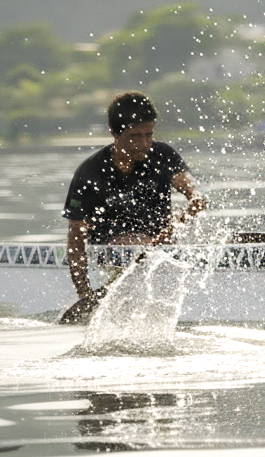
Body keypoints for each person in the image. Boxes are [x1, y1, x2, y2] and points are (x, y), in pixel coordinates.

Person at [62, 91, 206, 304]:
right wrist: (84, 293)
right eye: (135, 137)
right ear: (114, 133)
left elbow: (194, 197)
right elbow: (76, 237)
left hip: (158, 246)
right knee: (133, 241)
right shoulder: (89, 173)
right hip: (109, 251)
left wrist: (189, 208)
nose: (144, 144)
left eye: (149, 135)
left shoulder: (163, 155)